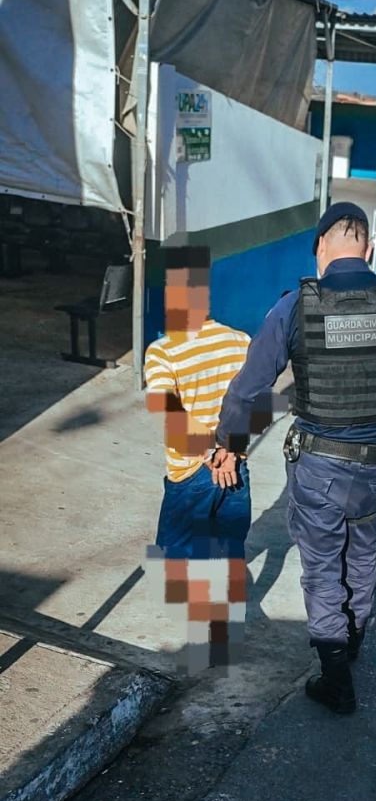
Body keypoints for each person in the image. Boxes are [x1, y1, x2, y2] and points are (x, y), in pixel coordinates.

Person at [210, 201, 376, 715]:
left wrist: (228, 444)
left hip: (318, 468)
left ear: (320, 247)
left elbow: (248, 388)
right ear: (369, 249)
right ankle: (352, 640)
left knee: (323, 567)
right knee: (363, 555)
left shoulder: (294, 308)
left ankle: (335, 675)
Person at [144, 246, 251, 673]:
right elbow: (253, 405)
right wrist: (231, 453)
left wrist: (208, 453)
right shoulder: (240, 342)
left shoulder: (161, 352)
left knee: (175, 555)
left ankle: (199, 634)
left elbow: (170, 417)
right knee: (229, 552)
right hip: (235, 469)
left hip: (191, 472)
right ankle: (223, 640)